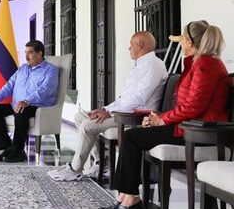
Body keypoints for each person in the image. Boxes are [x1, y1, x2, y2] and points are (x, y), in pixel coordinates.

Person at [104, 21, 230, 209]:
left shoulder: (206, 65)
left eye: (182, 39)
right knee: (134, 136)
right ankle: (125, 196)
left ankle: (131, 199)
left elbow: (192, 107)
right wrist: (158, 118)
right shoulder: (199, 63)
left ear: (189, 42)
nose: (180, 43)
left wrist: (162, 121)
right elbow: (186, 105)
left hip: (197, 132)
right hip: (188, 127)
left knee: (131, 137)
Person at [48, 31, 168, 181]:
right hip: (124, 111)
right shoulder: (141, 65)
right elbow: (124, 99)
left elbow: (139, 98)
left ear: (140, 45)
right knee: (80, 116)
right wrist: (105, 109)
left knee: (87, 126)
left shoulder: (154, 65)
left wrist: (111, 113)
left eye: (131, 45)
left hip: (135, 116)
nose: (128, 49)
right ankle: (101, 163)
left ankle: (75, 169)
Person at [0, 40, 59, 163]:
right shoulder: (22, 69)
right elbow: (9, 85)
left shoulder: (50, 70)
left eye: (30, 53)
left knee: (21, 110)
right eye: (25, 52)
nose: (26, 56)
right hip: (18, 104)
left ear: (40, 53)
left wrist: (27, 101)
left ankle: (18, 152)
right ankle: (6, 147)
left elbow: (45, 90)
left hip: (38, 106)